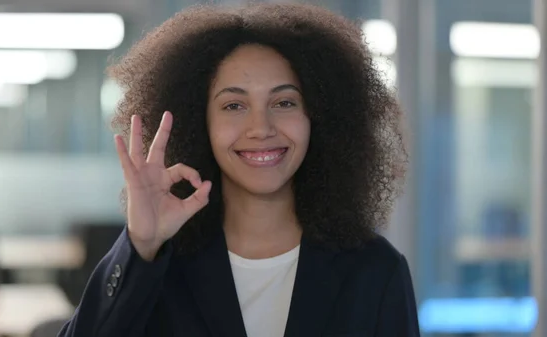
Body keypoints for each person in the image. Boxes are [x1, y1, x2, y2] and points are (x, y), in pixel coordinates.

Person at [59, 3, 419, 337]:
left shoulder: (375, 271)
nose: (261, 128)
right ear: (200, 124)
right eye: (233, 105)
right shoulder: (156, 265)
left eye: (284, 102)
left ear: (319, 118)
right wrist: (140, 246)